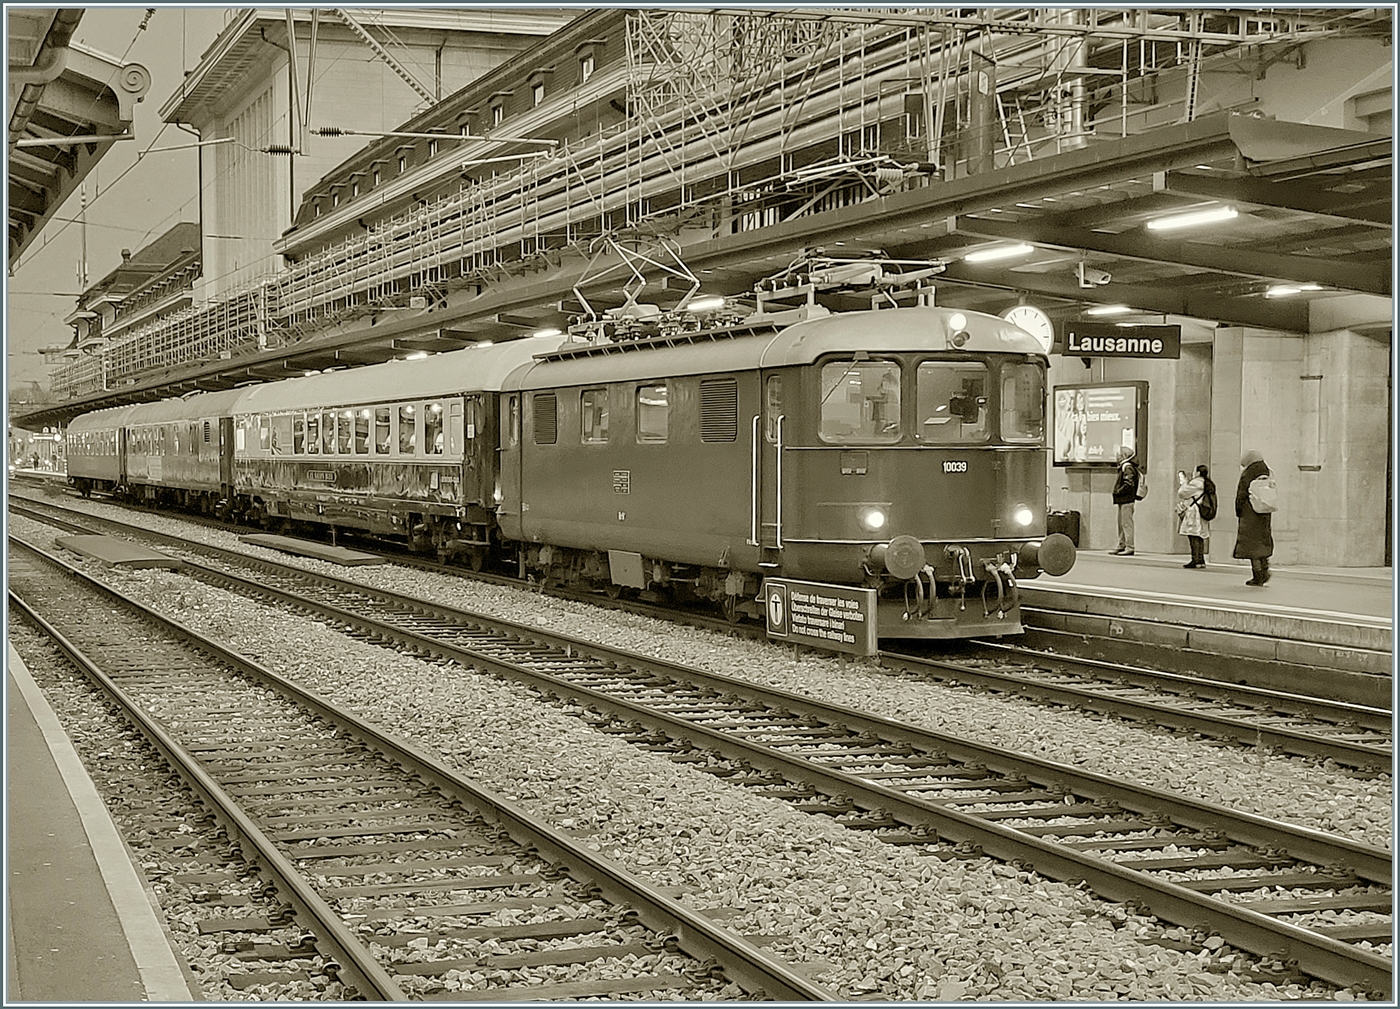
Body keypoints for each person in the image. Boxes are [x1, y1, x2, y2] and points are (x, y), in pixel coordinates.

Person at [1234, 449, 1274, 585]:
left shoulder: (1249, 473)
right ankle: (1264, 569)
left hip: (1250, 512)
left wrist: (1238, 510)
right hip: (1263, 511)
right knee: (1262, 541)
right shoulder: (1266, 471)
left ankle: (1258, 575)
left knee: (1252, 545)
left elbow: (1241, 493)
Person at [1177, 464, 1213, 568]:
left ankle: (1195, 559)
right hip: (1202, 511)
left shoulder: (1196, 483)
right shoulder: (1207, 483)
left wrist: (1184, 482)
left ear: (1198, 473)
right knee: (1199, 536)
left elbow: (1182, 493)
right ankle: (1200, 559)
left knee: (1193, 536)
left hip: (1194, 512)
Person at [1109, 445, 1139, 555]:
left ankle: (1129, 547)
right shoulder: (1126, 466)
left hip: (1126, 499)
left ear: (1123, 456)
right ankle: (1122, 545)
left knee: (1127, 524)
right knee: (1122, 523)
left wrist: (1118, 491)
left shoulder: (1127, 467)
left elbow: (1128, 484)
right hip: (1123, 500)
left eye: (1118, 455)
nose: (1116, 457)